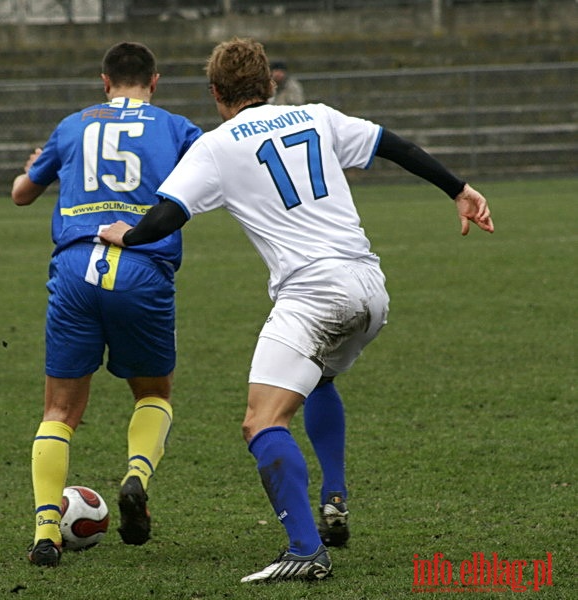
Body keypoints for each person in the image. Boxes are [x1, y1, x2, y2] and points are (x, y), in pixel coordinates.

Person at [100, 37, 493, 583]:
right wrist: (460, 189)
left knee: (261, 421)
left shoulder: (217, 145)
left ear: (216, 93)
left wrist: (128, 236)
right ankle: (334, 496)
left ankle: (306, 551)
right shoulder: (318, 116)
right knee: (319, 378)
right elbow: (392, 144)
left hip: (313, 295)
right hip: (369, 286)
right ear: (271, 84)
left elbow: (167, 216)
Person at [11, 41, 202, 567]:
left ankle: (46, 533)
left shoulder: (72, 125)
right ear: (155, 82)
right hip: (140, 265)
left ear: (104, 81)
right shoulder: (176, 127)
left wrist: (32, 167)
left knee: (60, 410)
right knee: (152, 392)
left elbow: (22, 193)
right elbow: (216, 172)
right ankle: (136, 476)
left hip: (74, 268)